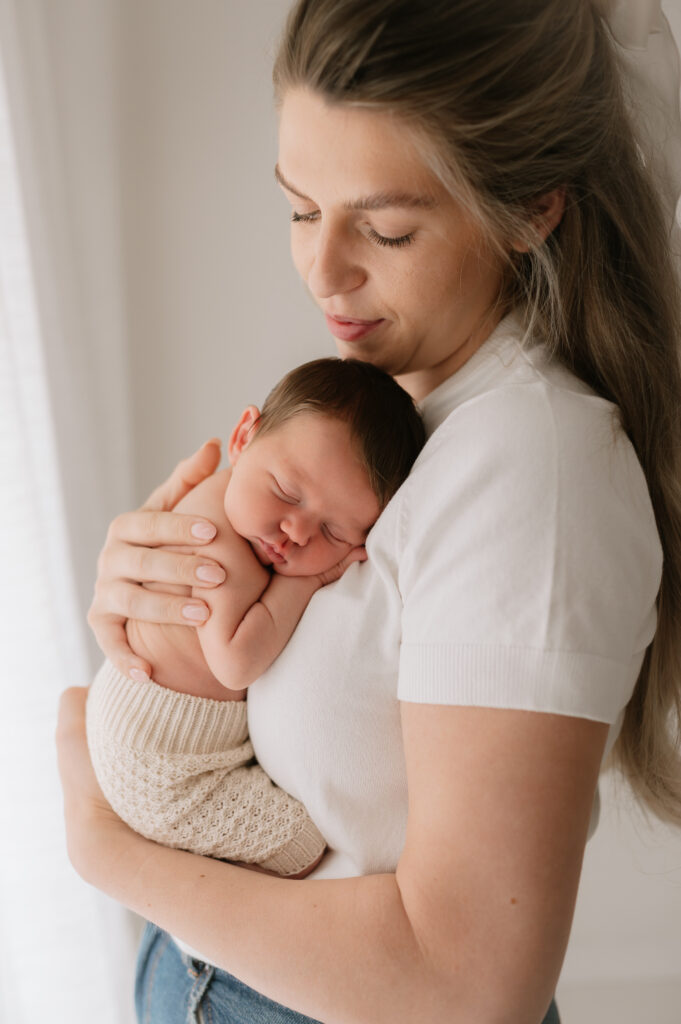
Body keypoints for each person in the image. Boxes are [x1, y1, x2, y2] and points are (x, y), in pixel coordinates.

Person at [56, 1, 681, 1022]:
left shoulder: (532, 466)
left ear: (532, 207)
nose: (323, 268)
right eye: (302, 209)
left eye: (385, 227)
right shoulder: (395, 411)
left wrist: (109, 849)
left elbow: (470, 983)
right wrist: (158, 622)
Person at [86, 357, 424, 879]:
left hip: (157, 732)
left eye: (334, 533)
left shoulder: (239, 503)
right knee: (302, 849)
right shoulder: (216, 542)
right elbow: (235, 662)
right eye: (286, 493)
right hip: (160, 763)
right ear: (244, 435)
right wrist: (304, 581)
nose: (294, 532)